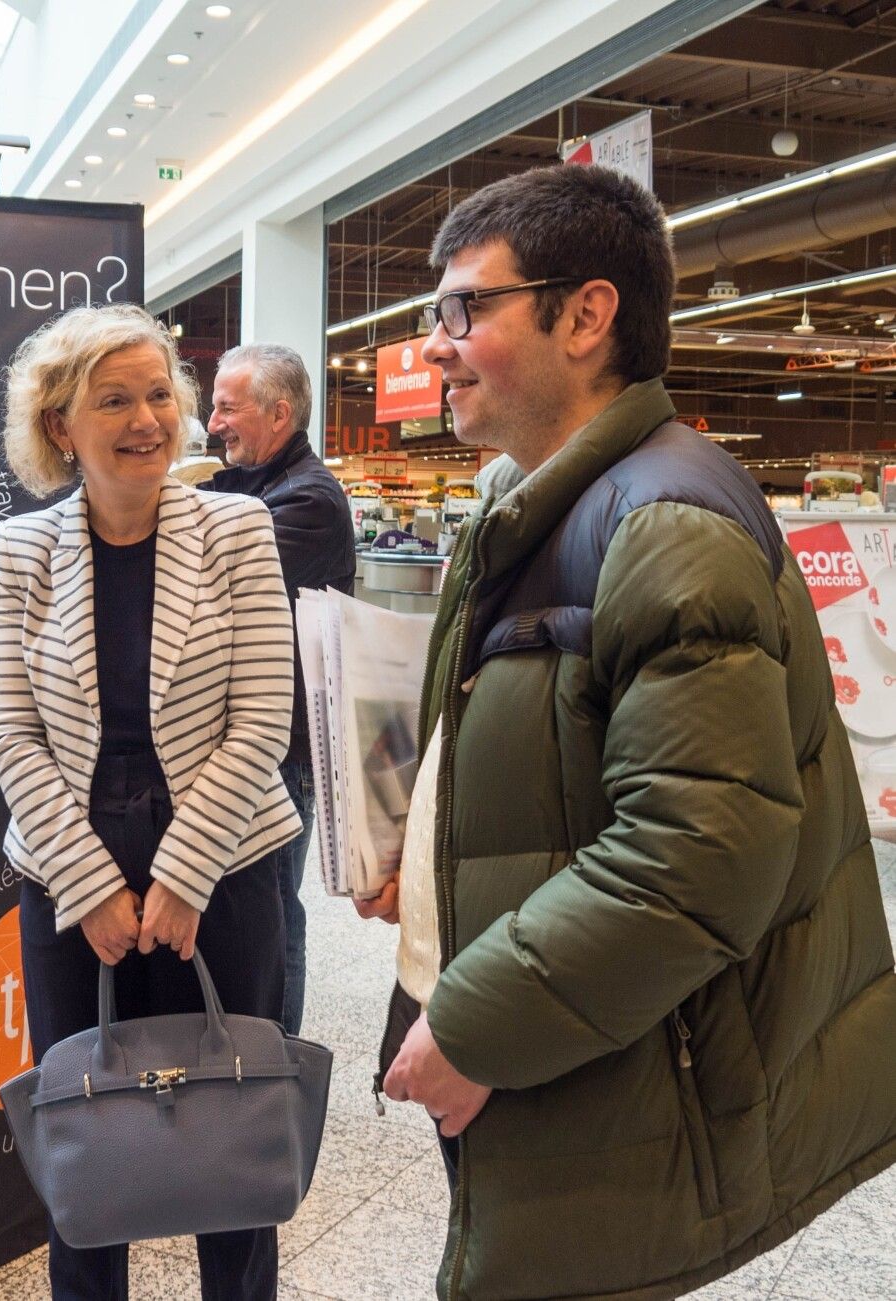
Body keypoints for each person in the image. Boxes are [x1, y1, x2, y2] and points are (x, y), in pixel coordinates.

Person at [363, 163, 896, 1300]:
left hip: (632, 1060)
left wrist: (472, 1026)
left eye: (465, 309)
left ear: (588, 314)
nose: (435, 345)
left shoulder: (662, 523)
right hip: (580, 1033)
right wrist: (423, 862)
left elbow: (696, 854)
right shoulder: (534, 501)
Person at [0, 303, 301, 1300]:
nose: (145, 418)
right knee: (91, 1150)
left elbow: (262, 721)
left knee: (233, 1141)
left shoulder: (239, 527)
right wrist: (89, 885)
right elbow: (12, 730)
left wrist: (181, 874)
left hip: (228, 870)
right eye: (112, 398)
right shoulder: (24, 550)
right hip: (71, 877)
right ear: (59, 426)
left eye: (160, 392)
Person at [208, 342, 355, 1035]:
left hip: (284, 750)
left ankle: (279, 1059)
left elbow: (210, 574)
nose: (213, 423)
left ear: (280, 412)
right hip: (247, 741)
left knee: (272, 907)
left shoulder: (309, 500)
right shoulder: (245, 484)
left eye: (227, 407)